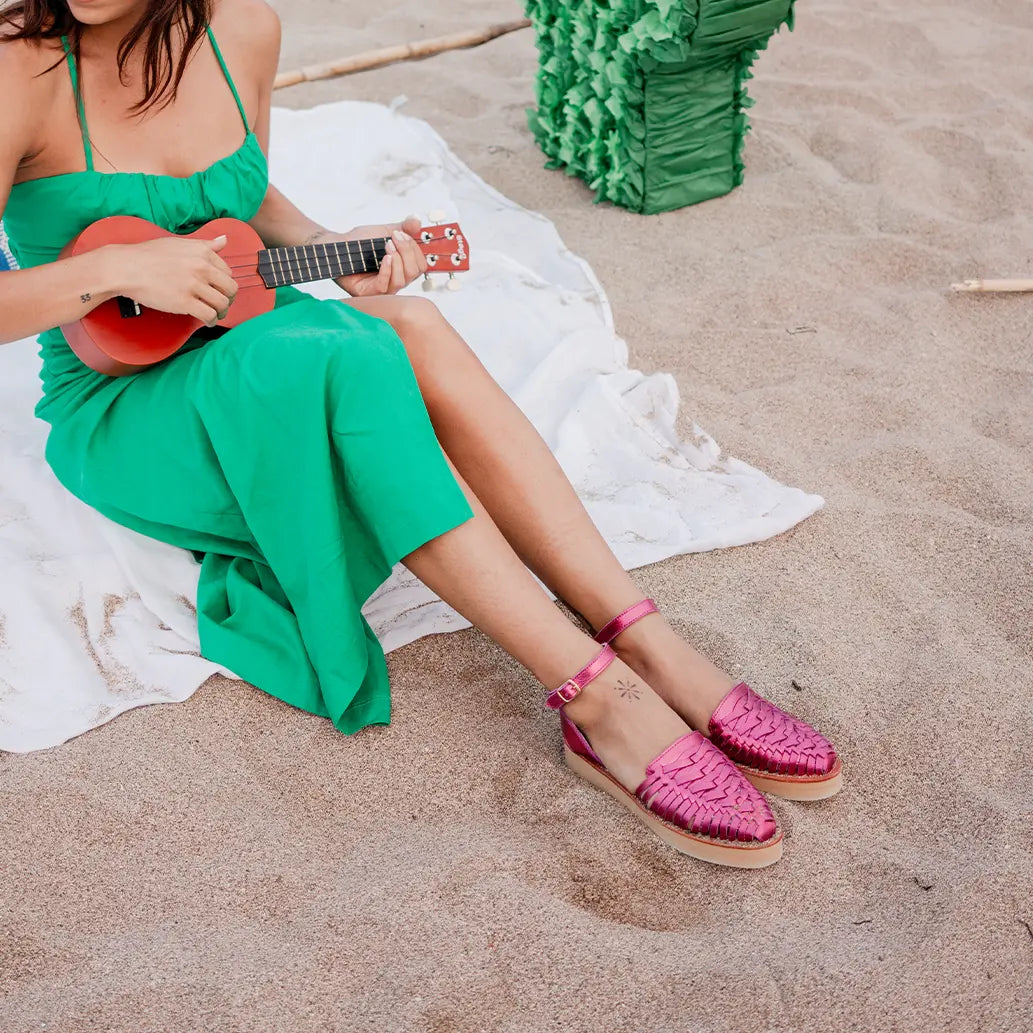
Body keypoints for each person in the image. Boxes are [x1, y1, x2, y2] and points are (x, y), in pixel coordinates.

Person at [0, 0, 842, 868]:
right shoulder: (15, 71)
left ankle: (646, 641)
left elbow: (245, 199)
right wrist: (107, 269)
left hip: (258, 331)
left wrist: (333, 243)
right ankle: (595, 699)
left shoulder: (242, 29)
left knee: (410, 326)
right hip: (130, 401)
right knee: (351, 354)